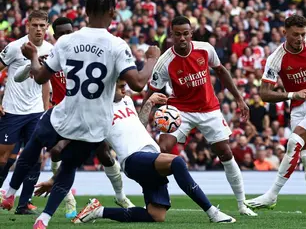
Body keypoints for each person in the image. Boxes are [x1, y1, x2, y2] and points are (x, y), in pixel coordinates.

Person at [0, 0, 160, 228]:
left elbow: (41, 77)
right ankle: (43, 219)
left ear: (85, 12)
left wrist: (34, 57)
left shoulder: (66, 41)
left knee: (35, 142)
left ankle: (10, 191)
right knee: (69, 166)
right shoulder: (117, 44)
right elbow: (137, 83)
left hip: (66, 114)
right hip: (95, 123)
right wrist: (151, 59)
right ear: (112, 13)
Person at [35, 79, 236, 224]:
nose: (126, 90)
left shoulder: (128, 101)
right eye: (121, 87)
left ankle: (99, 211)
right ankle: (212, 212)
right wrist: (55, 179)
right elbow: (79, 146)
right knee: (177, 162)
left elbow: (137, 125)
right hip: (133, 159)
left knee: (156, 216)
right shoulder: (98, 111)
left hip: (150, 155)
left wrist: (148, 104)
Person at [144, 16, 256, 216]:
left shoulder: (205, 49)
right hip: (180, 111)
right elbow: (150, 91)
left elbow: (221, 71)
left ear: (191, 33)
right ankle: (158, 199)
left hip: (209, 108)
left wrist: (239, 98)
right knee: (163, 149)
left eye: (186, 33)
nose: (182, 38)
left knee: (225, 152)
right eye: (177, 34)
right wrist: (144, 115)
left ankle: (242, 204)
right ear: (172, 35)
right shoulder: (164, 63)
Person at [244, 15, 306, 220]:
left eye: (303, 34)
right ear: (284, 33)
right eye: (295, 35)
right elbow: (264, 93)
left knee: (294, 140)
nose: (300, 39)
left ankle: (271, 195)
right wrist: (291, 95)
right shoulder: (276, 58)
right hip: (298, 107)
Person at [0, 10, 52, 214]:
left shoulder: (51, 49)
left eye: (42, 25)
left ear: (47, 26)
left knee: (35, 157)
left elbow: (46, 81)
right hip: (12, 110)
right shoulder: (15, 47)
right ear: (27, 25)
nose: (38, 29)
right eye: (35, 25)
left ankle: (24, 204)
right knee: (4, 158)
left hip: (35, 112)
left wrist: (46, 108)